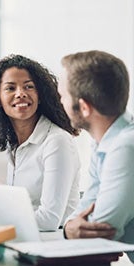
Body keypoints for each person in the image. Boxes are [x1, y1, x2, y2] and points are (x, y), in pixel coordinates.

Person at [0, 54, 80, 230]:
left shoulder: (57, 141)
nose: (20, 94)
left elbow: (49, 219)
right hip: (25, 241)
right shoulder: (15, 143)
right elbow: (24, 206)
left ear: (40, 95)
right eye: (10, 88)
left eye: (29, 87)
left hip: (54, 244)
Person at [58, 50, 134, 262]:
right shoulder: (106, 141)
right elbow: (82, 214)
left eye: (63, 95)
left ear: (83, 107)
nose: (60, 101)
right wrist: (69, 228)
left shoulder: (125, 147)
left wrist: (71, 228)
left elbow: (101, 232)